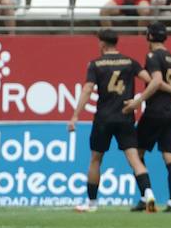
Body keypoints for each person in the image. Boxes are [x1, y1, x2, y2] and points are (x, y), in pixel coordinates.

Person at [68, 29, 160, 213]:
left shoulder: (96, 64)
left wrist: (75, 115)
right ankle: (148, 193)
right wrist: (137, 101)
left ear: (102, 43)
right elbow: (150, 80)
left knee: (96, 159)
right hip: (125, 116)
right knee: (134, 159)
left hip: (103, 117)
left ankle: (92, 204)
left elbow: (87, 89)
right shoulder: (129, 62)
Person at [120, 22, 171, 212]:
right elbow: (165, 82)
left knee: (137, 154)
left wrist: (138, 102)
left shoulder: (152, 55)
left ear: (149, 36)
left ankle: (144, 195)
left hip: (155, 112)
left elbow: (155, 81)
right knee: (170, 158)